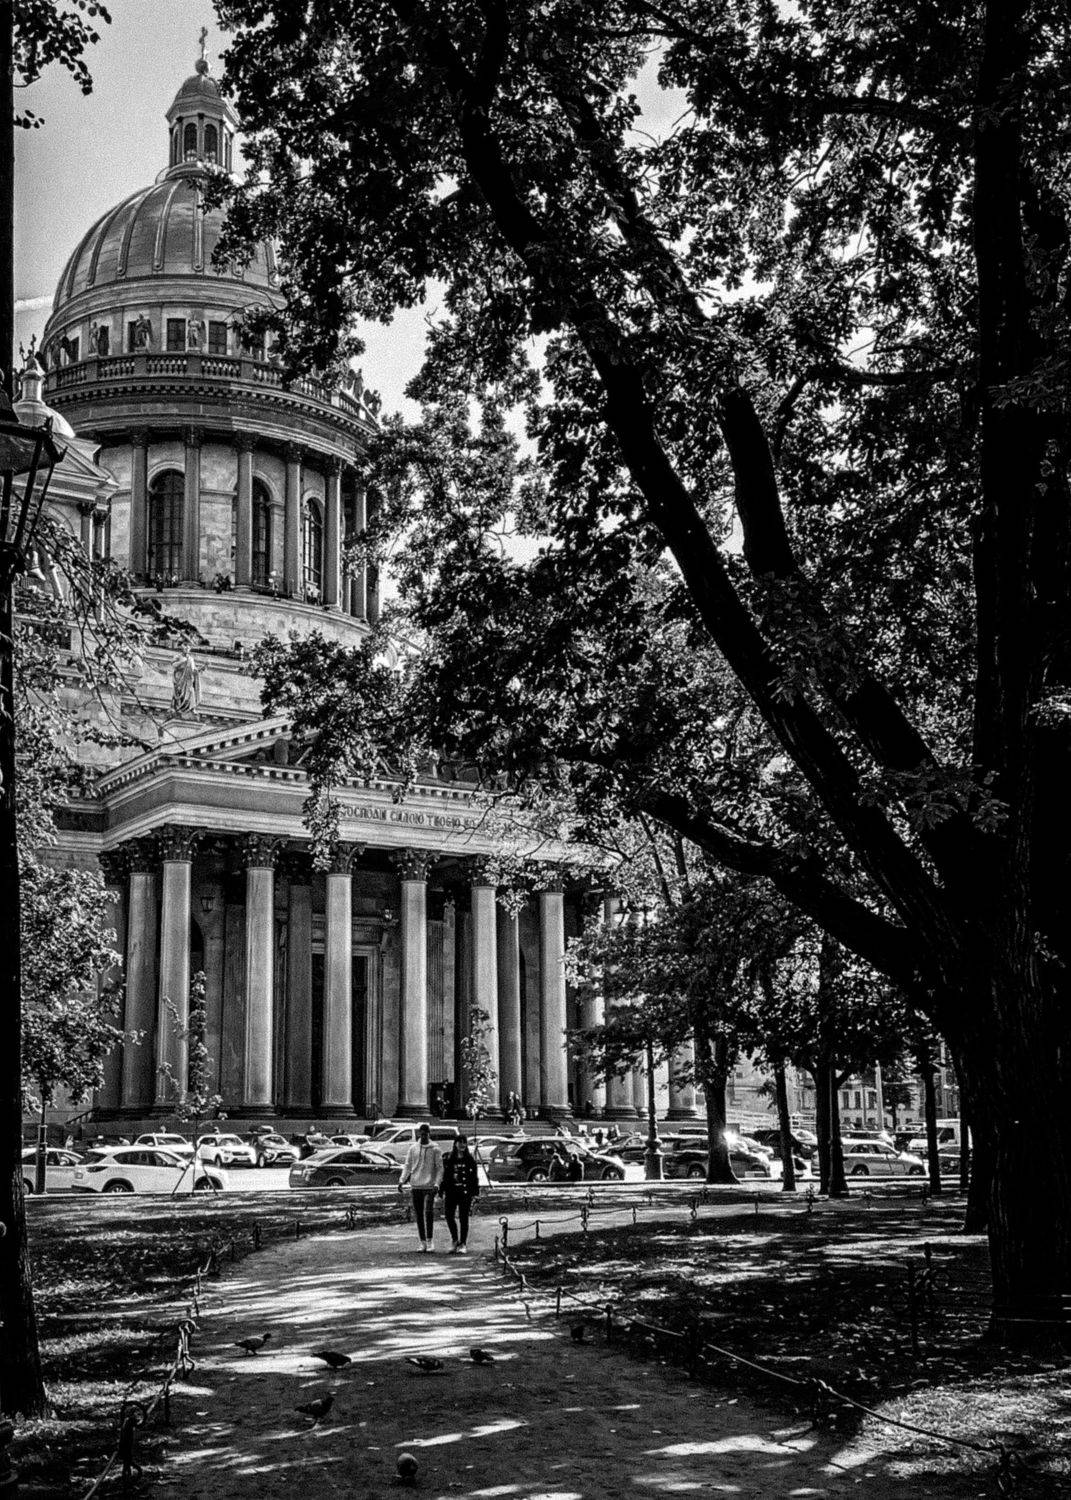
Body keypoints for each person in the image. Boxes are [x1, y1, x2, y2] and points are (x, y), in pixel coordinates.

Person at [399, 1122, 444, 1252]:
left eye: (426, 1134)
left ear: (429, 1134)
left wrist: (437, 1184)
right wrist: (402, 1180)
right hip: (416, 1185)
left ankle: (430, 1241)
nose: (423, 1136)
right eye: (422, 1134)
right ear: (419, 1134)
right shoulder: (413, 1148)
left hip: (430, 1186)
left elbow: (439, 1168)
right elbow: (408, 1165)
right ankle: (422, 1242)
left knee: (428, 1212)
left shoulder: (435, 1149)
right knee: (418, 1214)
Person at [440, 1135, 480, 1254]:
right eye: (460, 1142)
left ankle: (463, 1243)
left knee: (463, 1218)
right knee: (449, 1216)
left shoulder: (469, 1159)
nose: (462, 1145)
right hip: (451, 1192)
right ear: (455, 1144)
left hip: (465, 1192)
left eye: (464, 1142)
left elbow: (474, 1177)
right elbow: (445, 1175)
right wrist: (441, 1189)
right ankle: (455, 1240)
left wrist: (475, 1193)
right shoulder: (449, 1158)